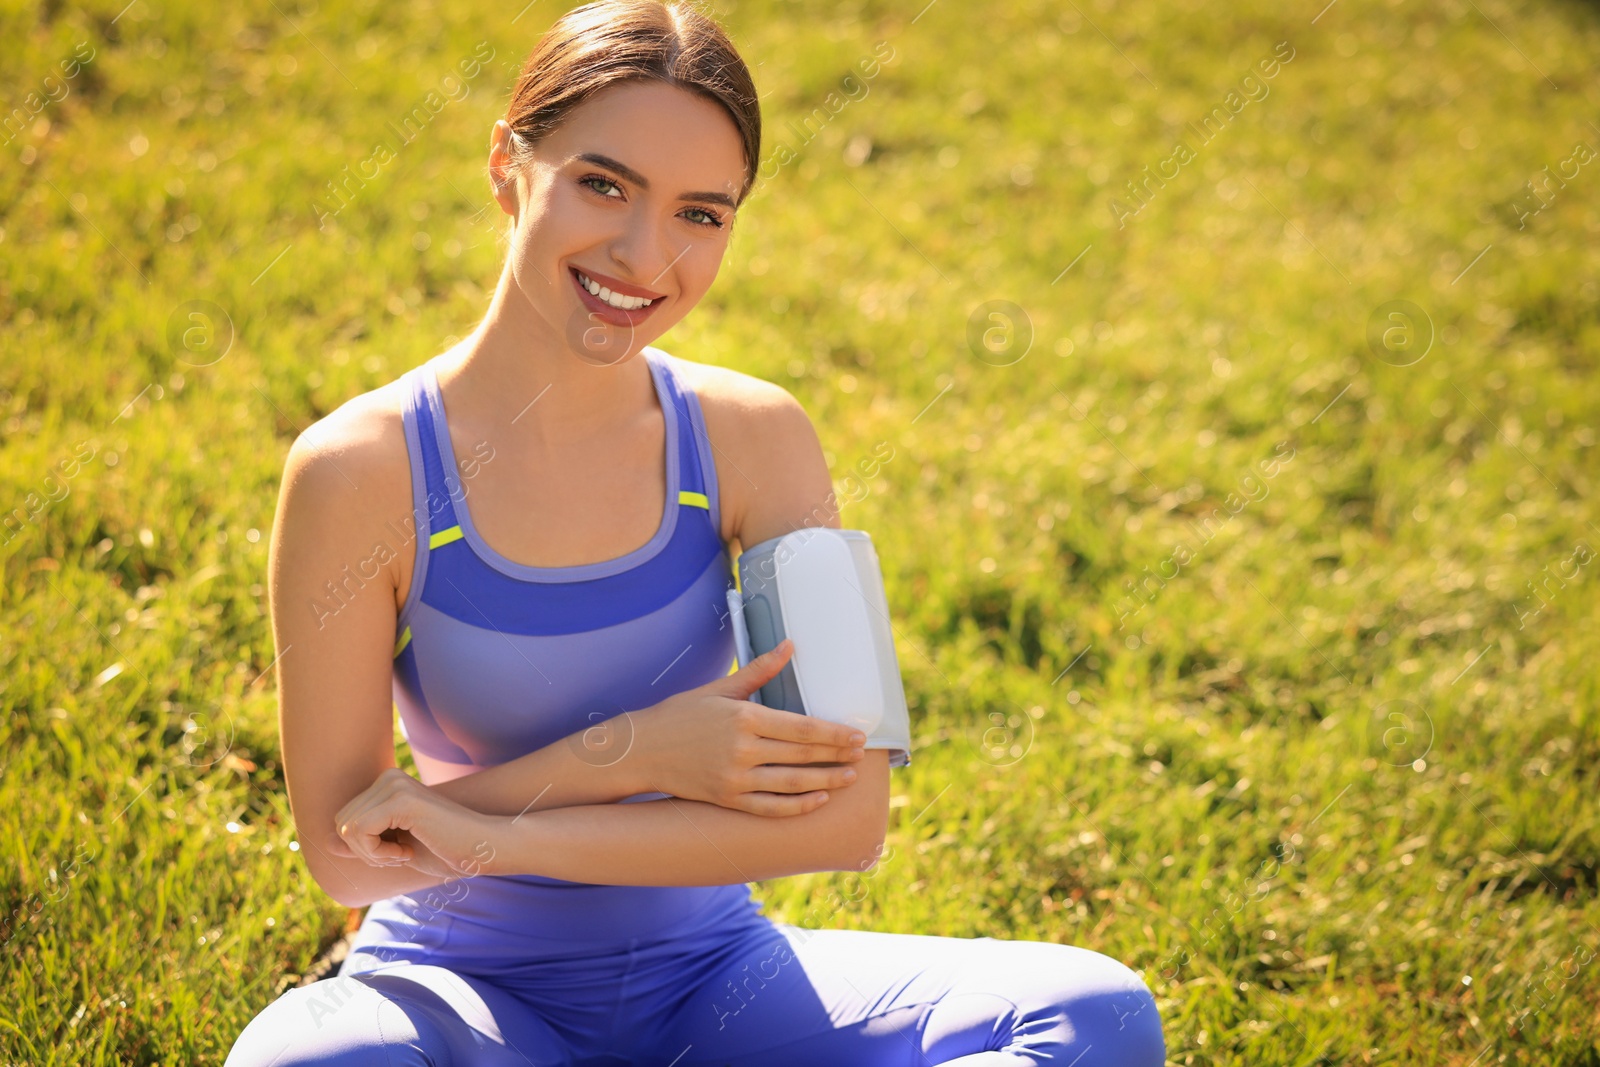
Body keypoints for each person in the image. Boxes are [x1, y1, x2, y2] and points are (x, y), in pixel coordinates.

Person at [225, 1, 1167, 1063]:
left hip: (718, 981)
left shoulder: (756, 438)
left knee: (1093, 1010)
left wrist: (488, 830)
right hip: (458, 990)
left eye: (700, 215)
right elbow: (351, 856)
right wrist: (626, 752)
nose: (643, 254)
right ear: (506, 166)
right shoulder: (359, 468)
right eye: (603, 184)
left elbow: (845, 819)